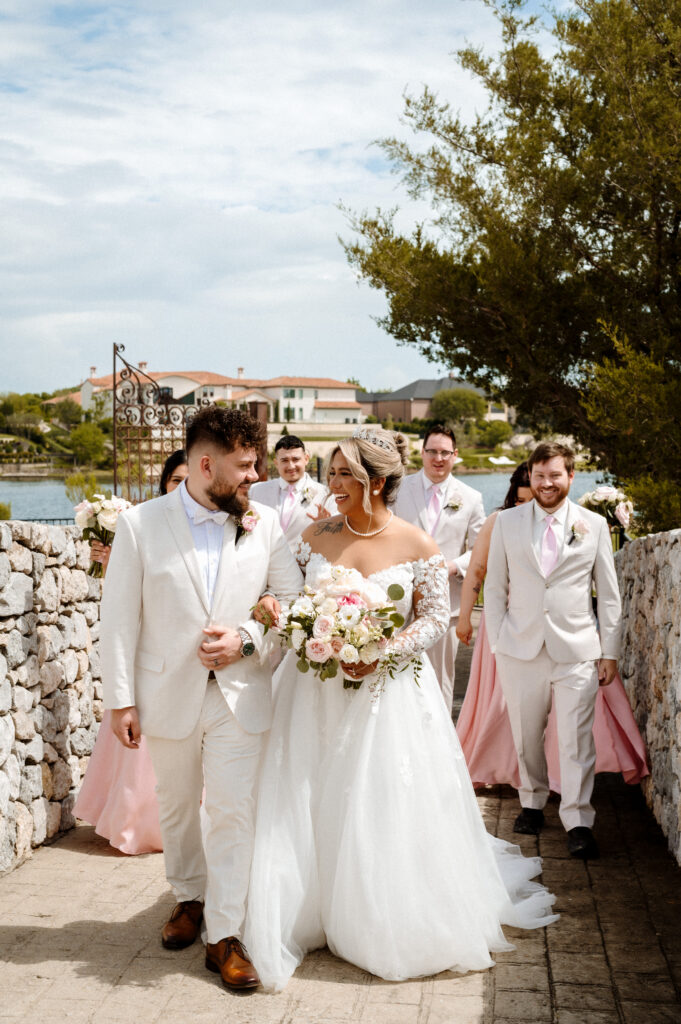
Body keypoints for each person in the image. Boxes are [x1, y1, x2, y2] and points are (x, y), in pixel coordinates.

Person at [244, 426, 557, 993]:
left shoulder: (417, 544)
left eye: (344, 474)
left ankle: (375, 913)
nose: (332, 484)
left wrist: (378, 652)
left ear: (377, 481)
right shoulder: (314, 535)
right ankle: (304, 907)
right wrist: (284, 613)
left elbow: (434, 618)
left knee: (375, 794)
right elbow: (290, 597)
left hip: (388, 693)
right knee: (307, 791)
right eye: (332, 471)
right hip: (315, 689)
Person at [99, 407, 303, 991]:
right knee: (178, 805)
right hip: (165, 689)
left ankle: (225, 934)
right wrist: (120, 700)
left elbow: (292, 600)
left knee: (234, 811)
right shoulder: (140, 524)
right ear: (206, 463)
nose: (255, 476)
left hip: (240, 692)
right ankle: (188, 896)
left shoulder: (263, 523)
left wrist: (248, 637)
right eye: (244, 465)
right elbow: (118, 619)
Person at [455, 464, 648, 792]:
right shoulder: (499, 523)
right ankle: (511, 771)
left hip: (560, 632)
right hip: (508, 625)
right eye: (519, 499)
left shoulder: (571, 523)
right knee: (505, 704)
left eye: (530, 499)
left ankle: (560, 778)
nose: (526, 506)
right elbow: (477, 572)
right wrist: (464, 618)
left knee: (568, 709)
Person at [485, 442, 623, 860]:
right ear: (530, 475)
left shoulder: (594, 525)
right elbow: (493, 587)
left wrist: (609, 651)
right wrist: (497, 641)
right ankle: (531, 801)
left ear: (571, 477)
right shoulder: (506, 522)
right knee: (527, 736)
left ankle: (579, 820)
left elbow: (610, 595)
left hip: (577, 648)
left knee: (576, 740)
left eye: (555, 475)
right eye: (539, 475)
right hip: (519, 648)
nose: (546, 483)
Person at [74, 449, 189, 854]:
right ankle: (134, 821)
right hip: (146, 646)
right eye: (176, 480)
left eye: (189, 479)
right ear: (164, 484)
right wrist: (107, 564)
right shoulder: (143, 525)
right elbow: (124, 598)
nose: (183, 487)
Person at [394, 424, 485, 715]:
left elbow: (481, 548)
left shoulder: (470, 498)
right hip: (400, 600)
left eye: (445, 453)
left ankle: (442, 747)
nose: (438, 458)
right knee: (397, 677)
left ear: (455, 455)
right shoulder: (397, 489)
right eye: (432, 451)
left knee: (441, 680)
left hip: (447, 603)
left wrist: (453, 565)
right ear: (422, 453)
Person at [249, 434, 336, 550]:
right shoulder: (256, 491)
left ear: (306, 459)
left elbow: (336, 536)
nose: (291, 466)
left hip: (304, 565)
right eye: (284, 460)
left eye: (296, 459)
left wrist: (326, 527)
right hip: (264, 563)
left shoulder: (326, 494)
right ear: (276, 463)